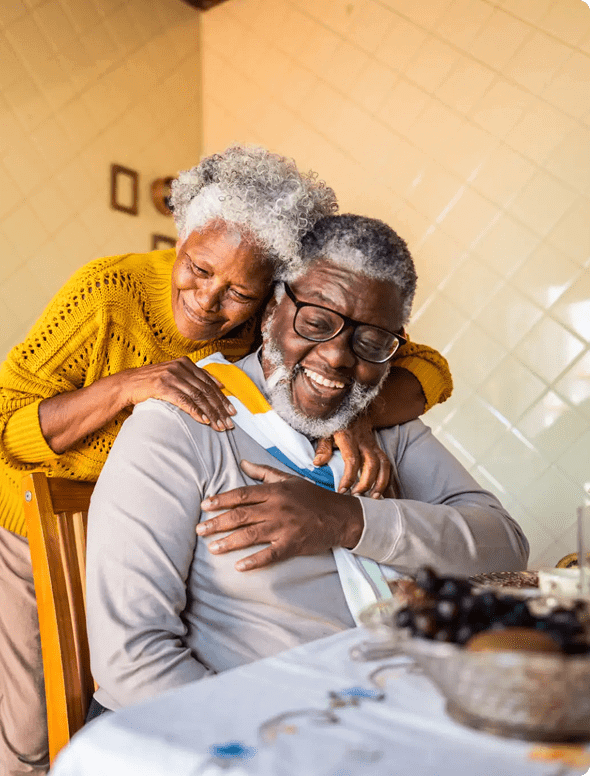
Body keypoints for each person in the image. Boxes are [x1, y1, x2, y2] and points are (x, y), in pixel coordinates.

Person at [0, 147, 451, 775]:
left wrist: (355, 411)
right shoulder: (108, 294)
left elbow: (424, 368)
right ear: (181, 240)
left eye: (238, 291)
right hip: (39, 516)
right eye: (198, 268)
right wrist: (125, 387)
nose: (206, 300)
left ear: (274, 297)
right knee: (35, 718)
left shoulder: (267, 322)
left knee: (123, 683)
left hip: (154, 524)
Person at [85, 214, 529, 715]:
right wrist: (285, 740)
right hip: (240, 728)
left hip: (384, 709)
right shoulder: (180, 426)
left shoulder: (379, 423)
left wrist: (345, 520)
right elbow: (132, 661)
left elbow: (504, 547)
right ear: (273, 308)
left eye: (371, 342)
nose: (338, 357)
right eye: (315, 323)